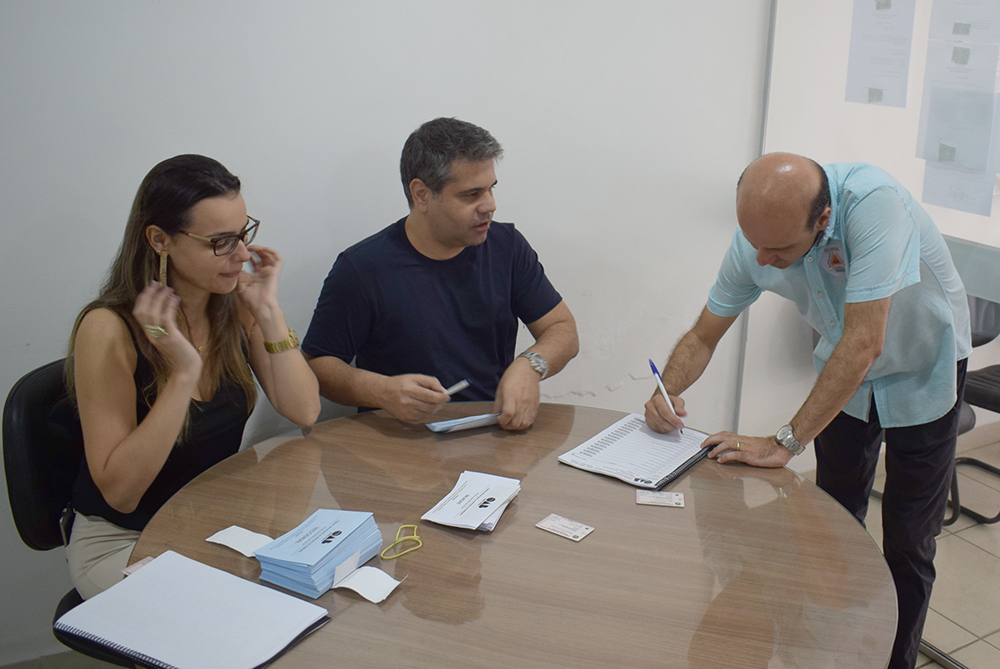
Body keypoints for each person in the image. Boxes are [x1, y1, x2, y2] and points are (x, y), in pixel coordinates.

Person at [644, 153, 971, 669]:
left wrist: (783, 442)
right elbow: (704, 334)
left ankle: (896, 660)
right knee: (831, 520)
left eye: (778, 248)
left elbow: (865, 343)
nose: (763, 257)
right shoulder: (759, 241)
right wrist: (666, 391)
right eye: (754, 242)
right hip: (844, 367)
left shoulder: (875, 205)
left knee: (909, 540)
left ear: (823, 220)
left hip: (924, 360)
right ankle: (835, 646)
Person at [66, 154, 320, 598]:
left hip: (210, 521)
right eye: (220, 242)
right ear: (160, 239)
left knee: (307, 586)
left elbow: (305, 409)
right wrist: (183, 374)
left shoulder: (232, 305)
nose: (242, 255)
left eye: (243, 234)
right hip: (124, 540)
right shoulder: (107, 328)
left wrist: (269, 312)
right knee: (236, 611)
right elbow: (121, 494)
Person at [303, 117, 578, 430]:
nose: (490, 205)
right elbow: (317, 365)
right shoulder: (362, 268)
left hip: (493, 430)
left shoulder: (507, 246)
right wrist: (380, 390)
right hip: (401, 442)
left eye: (491, 189)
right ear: (421, 194)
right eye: (471, 194)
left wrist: (530, 366)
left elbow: (562, 328)